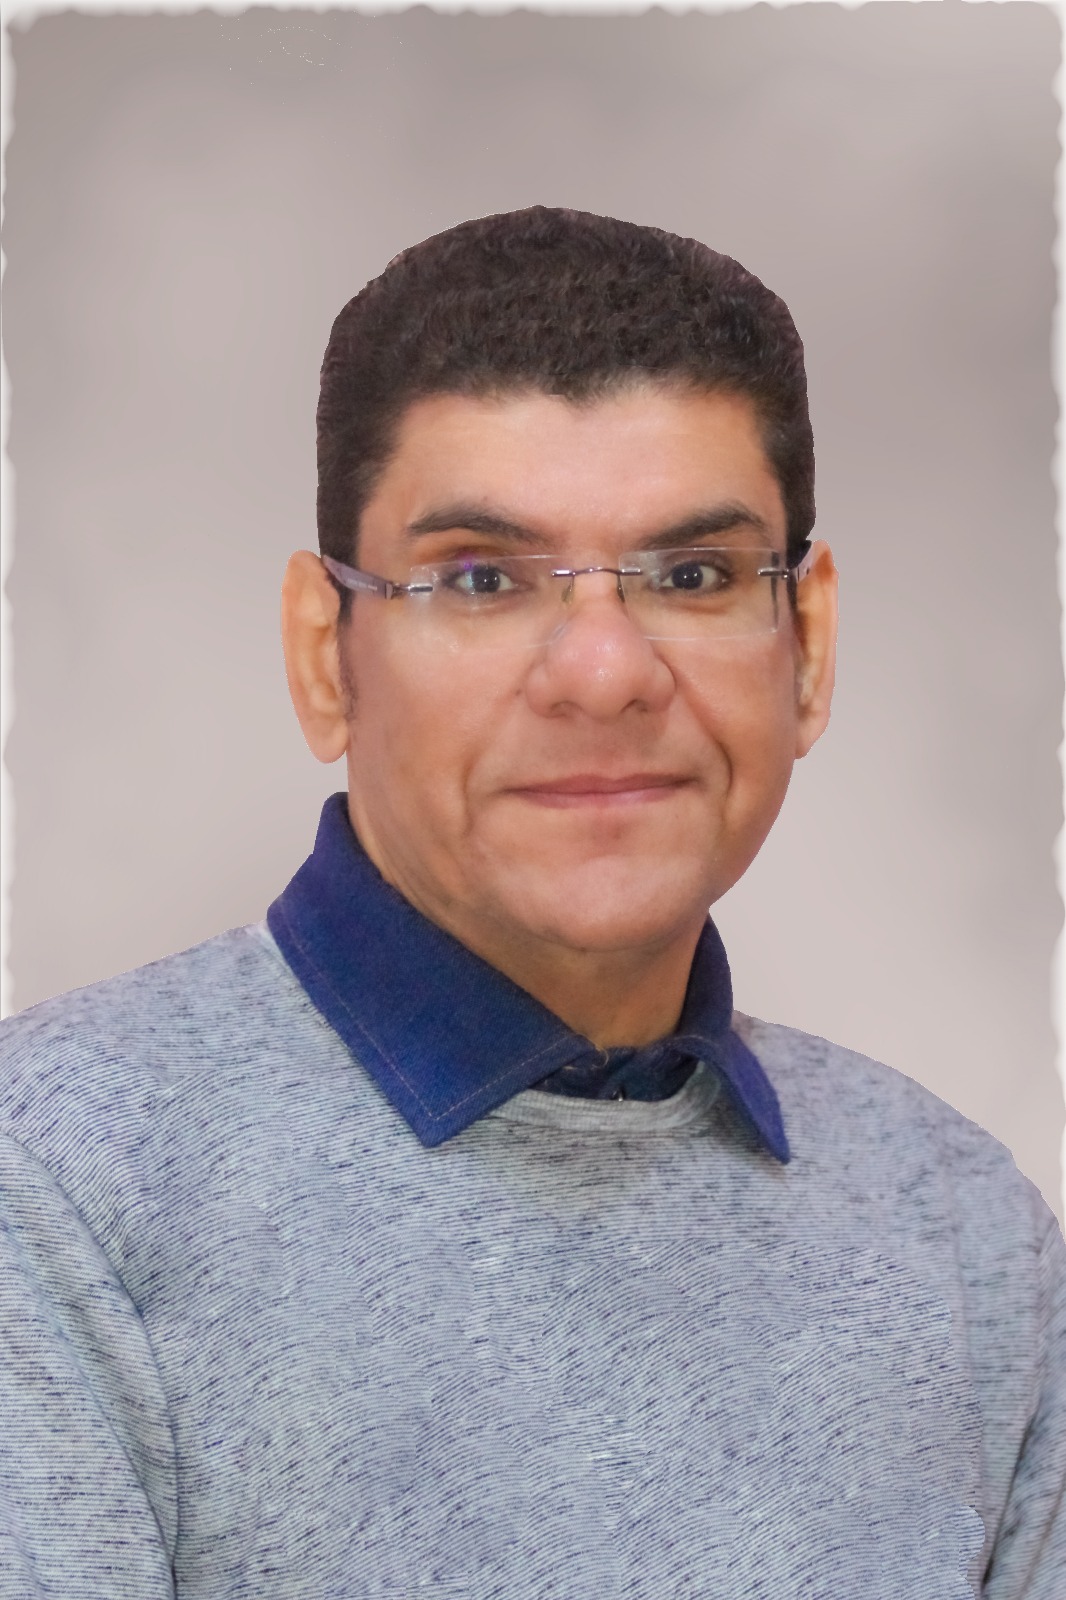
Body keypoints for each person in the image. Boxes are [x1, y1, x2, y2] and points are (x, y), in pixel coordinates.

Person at [0, 207, 1062, 1600]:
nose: (603, 674)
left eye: (691, 575)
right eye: (482, 580)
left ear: (805, 646)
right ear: (325, 658)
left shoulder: (965, 1236)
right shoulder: (52, 1193)